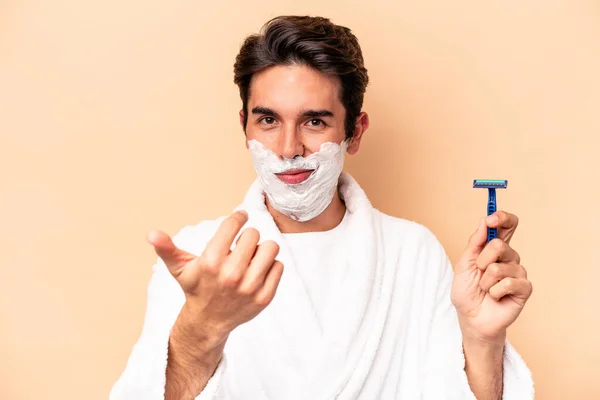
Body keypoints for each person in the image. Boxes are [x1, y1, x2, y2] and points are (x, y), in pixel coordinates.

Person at [110, 15, 534, 400]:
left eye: (314, 121)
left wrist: (482, 341)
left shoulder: (412, 254)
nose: (288, 149)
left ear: (355, 131)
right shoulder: (198, 255)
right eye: (268, 120)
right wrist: (200, 330)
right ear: (244, 126)